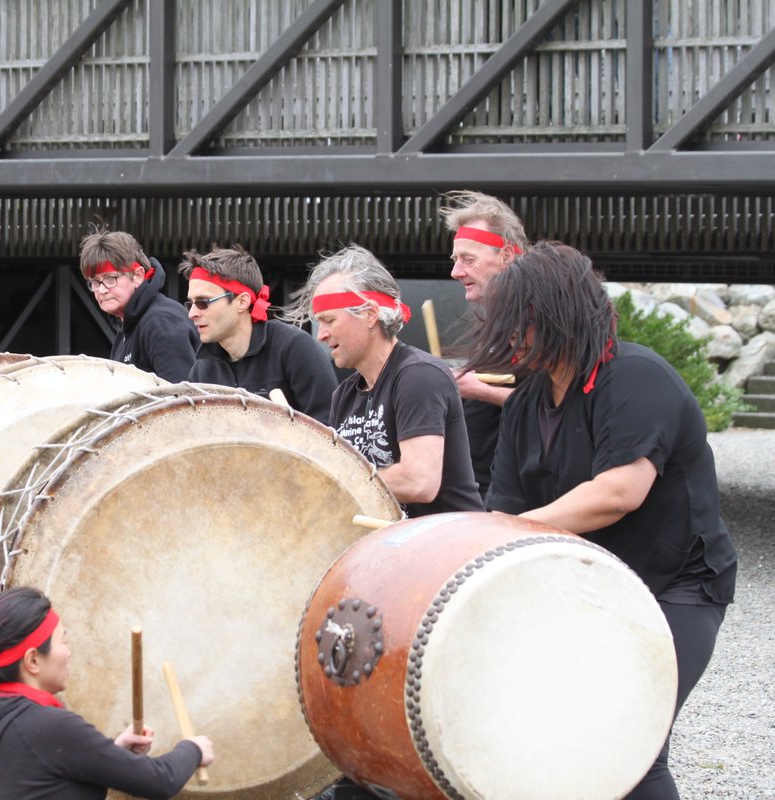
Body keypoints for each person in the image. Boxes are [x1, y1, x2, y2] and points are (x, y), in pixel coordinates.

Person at [465, 242, 737, 800]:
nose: (512, 337)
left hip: (677, 583)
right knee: (552, 736)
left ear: (559, 315)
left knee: (629, 743)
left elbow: (619, 492)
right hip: (587, 583)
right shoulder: (526, 400)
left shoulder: (634, 376)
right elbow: (504, 510)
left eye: (523, 322)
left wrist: (508, 532)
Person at [0, 587, 214, 799]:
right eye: (62, 641)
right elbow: (158, 782)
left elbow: (40, 771)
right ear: (32, 661)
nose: (69, 651)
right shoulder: (47, 725)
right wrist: (192, 749)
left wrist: (114, 751)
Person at [289, 244, 482, 517]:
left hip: (446, 546)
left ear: (369, 314)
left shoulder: (419, 376)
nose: (321, 334)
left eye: (329, 320)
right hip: (387, 547)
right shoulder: (344, 394)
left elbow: (419, 482)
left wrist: (336, 478)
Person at [440, 190, 530, 498]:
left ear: (506, 256)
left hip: (514, 495)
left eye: (468, 259)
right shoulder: (495, 322)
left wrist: (477, 389)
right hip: (477, 491)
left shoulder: (537, 320)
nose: (456, 271)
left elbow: (559, 406)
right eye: (455, 260)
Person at [181, 245, 336, 419]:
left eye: (203, 302)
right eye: (190, 303)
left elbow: (329, 427)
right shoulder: (202, 370)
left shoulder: (293, 348)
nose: (192, 313)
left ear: (242, 301)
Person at [79, 229, 199, 382]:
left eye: (110, 279)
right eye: (95, 282)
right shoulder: (127, 328)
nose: (101, 290)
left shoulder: (161, 321)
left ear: (138, 276)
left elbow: (183, 397)